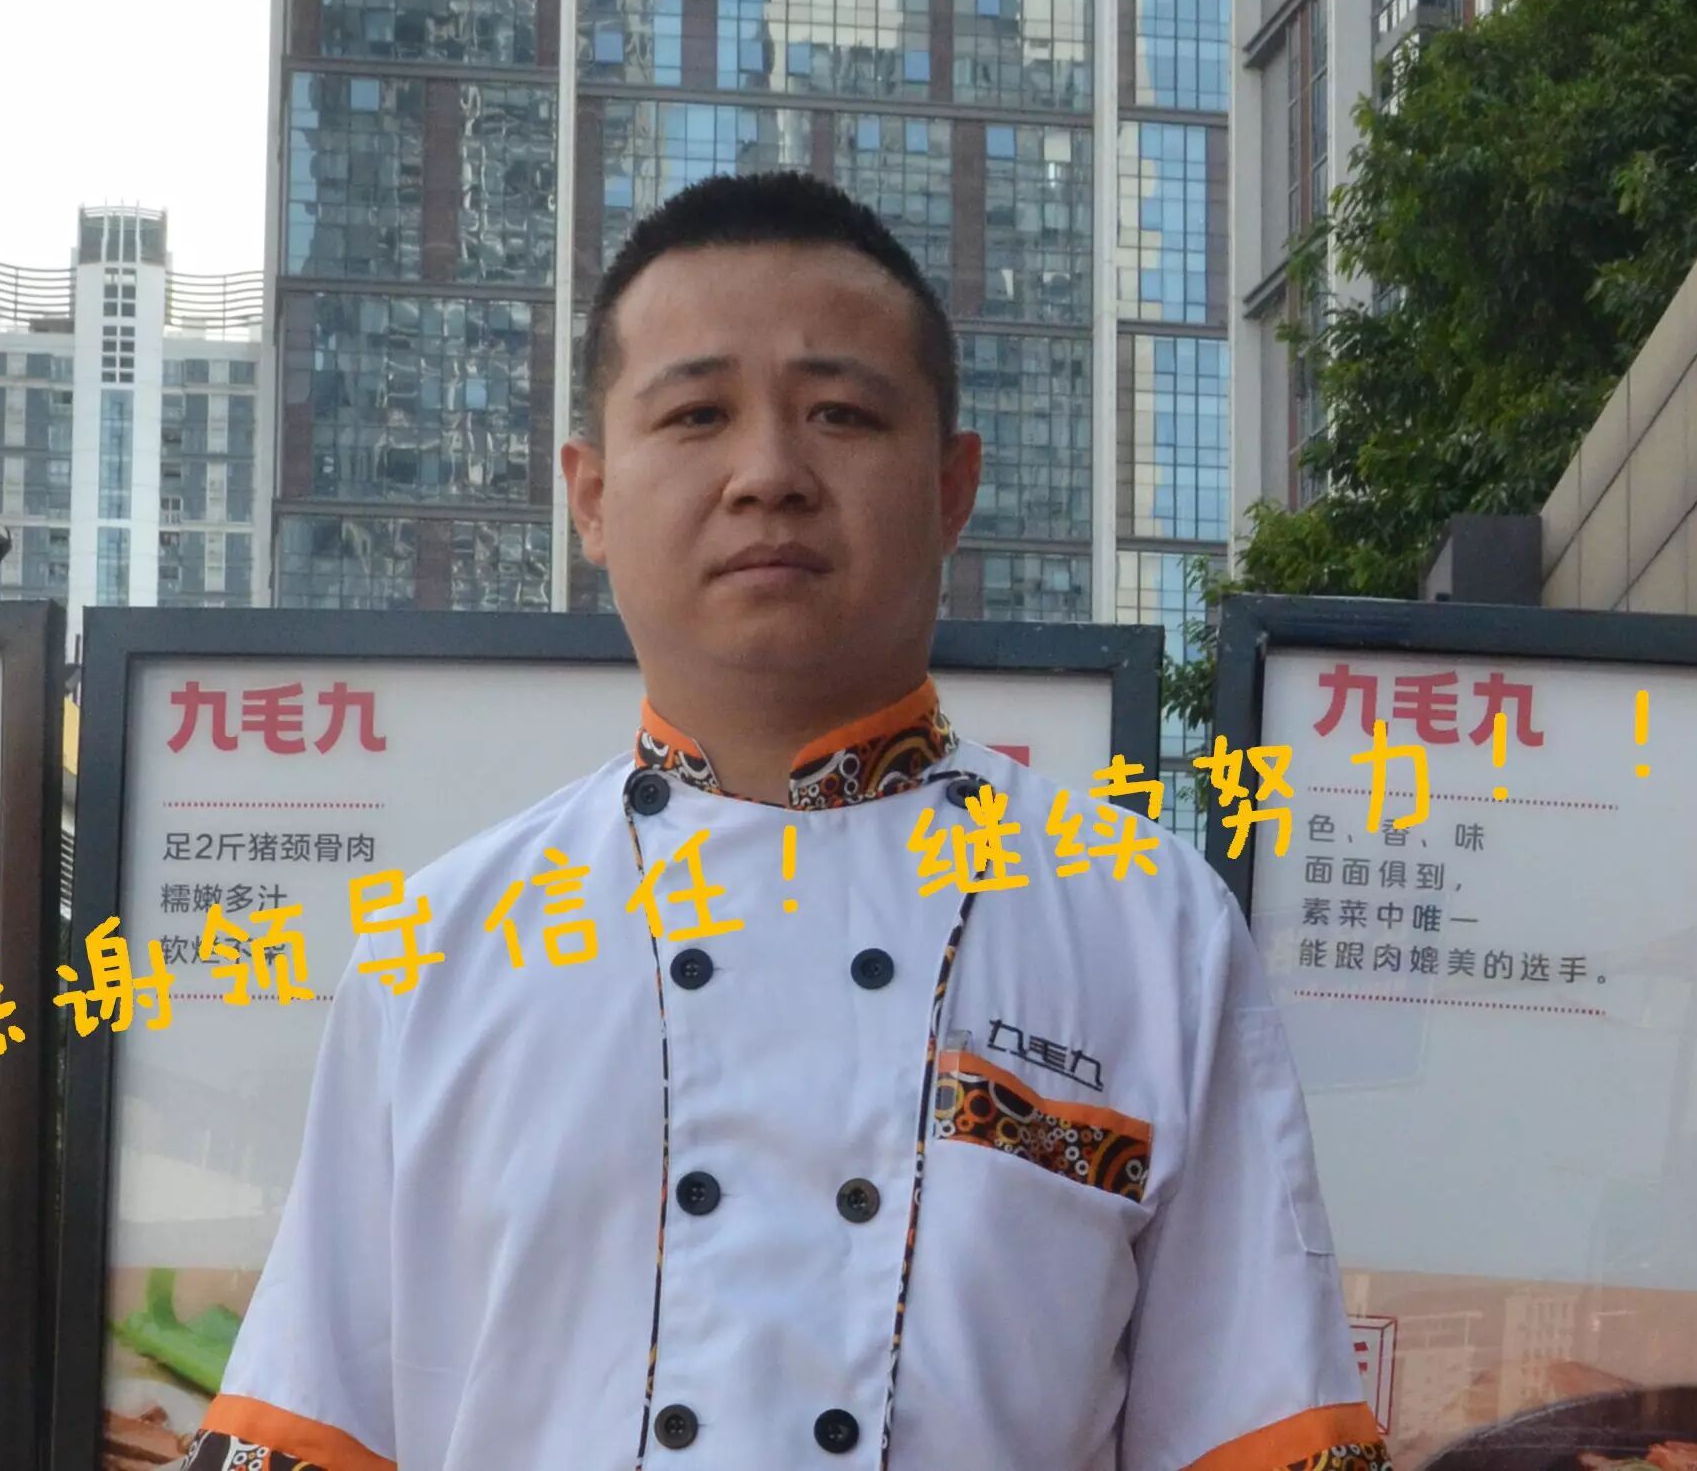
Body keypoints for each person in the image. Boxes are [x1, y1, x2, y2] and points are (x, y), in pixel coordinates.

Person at [184, 173, 1387, 1471]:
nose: (769, 474)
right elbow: (319, 1429)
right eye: (697, 413)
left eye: (841, 414)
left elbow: (1258, 1429)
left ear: (952, 487)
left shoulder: (1145, 924)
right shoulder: (438, 950)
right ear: (591, 495)